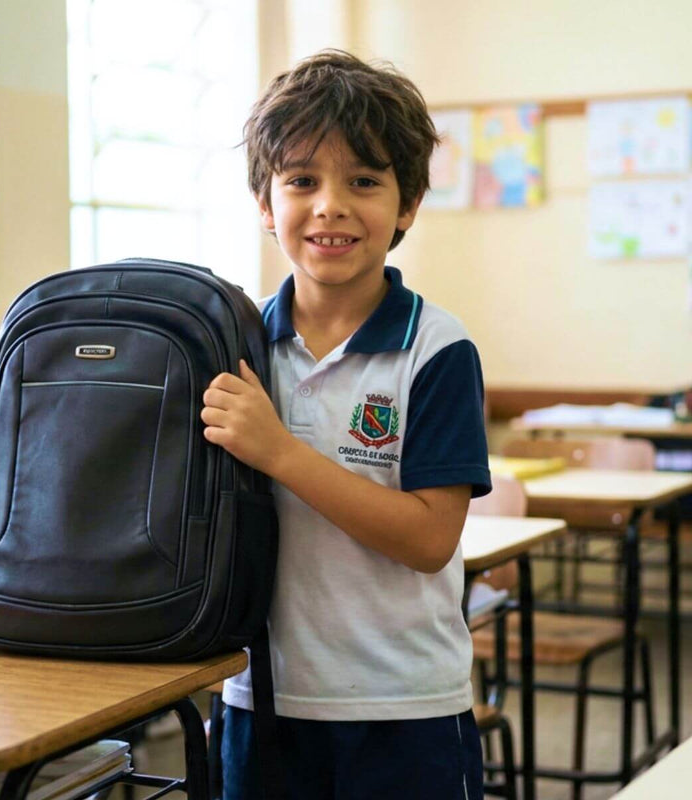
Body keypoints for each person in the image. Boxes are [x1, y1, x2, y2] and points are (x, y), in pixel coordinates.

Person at [200, 50, 491, 800]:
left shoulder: (438, 348)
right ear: (266, 205)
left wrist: (281, 452)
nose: (330, 204)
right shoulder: (233, 345)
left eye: (363, 180)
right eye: (302, 180)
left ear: (407, 206)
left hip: (403, 708)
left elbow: (430, 540)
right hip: (260, 698)